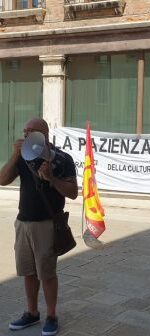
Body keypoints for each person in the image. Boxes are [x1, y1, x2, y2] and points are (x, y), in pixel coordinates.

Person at [0, 117, 78, 336]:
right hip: (23, 222)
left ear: (43, 134)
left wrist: (51, 178)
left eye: (31, 131)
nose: (26, 134)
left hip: (47, 224)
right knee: (28, 271)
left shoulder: (62, 159)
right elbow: (3, 180)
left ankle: (51, 315)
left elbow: (72, 192)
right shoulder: (22, 158)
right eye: (24, 131)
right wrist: (16, 154)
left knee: (46, 273)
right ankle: (31, 312)